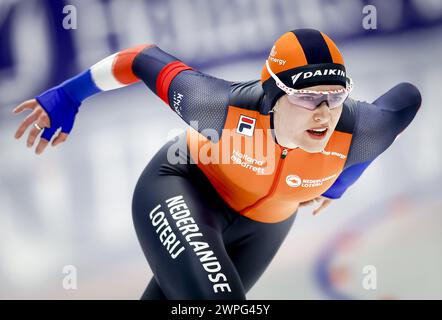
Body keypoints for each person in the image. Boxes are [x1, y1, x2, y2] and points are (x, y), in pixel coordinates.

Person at [12, 29, 421, 299]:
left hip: (265, 227)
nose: (324, 113)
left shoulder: (361, 130)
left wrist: (339, 183)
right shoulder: (215, 106)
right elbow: (139, 58)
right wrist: (69, 96)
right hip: (184, 187)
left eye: (335, 96)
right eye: (307, 97)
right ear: (272, 94)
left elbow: (406, 98)